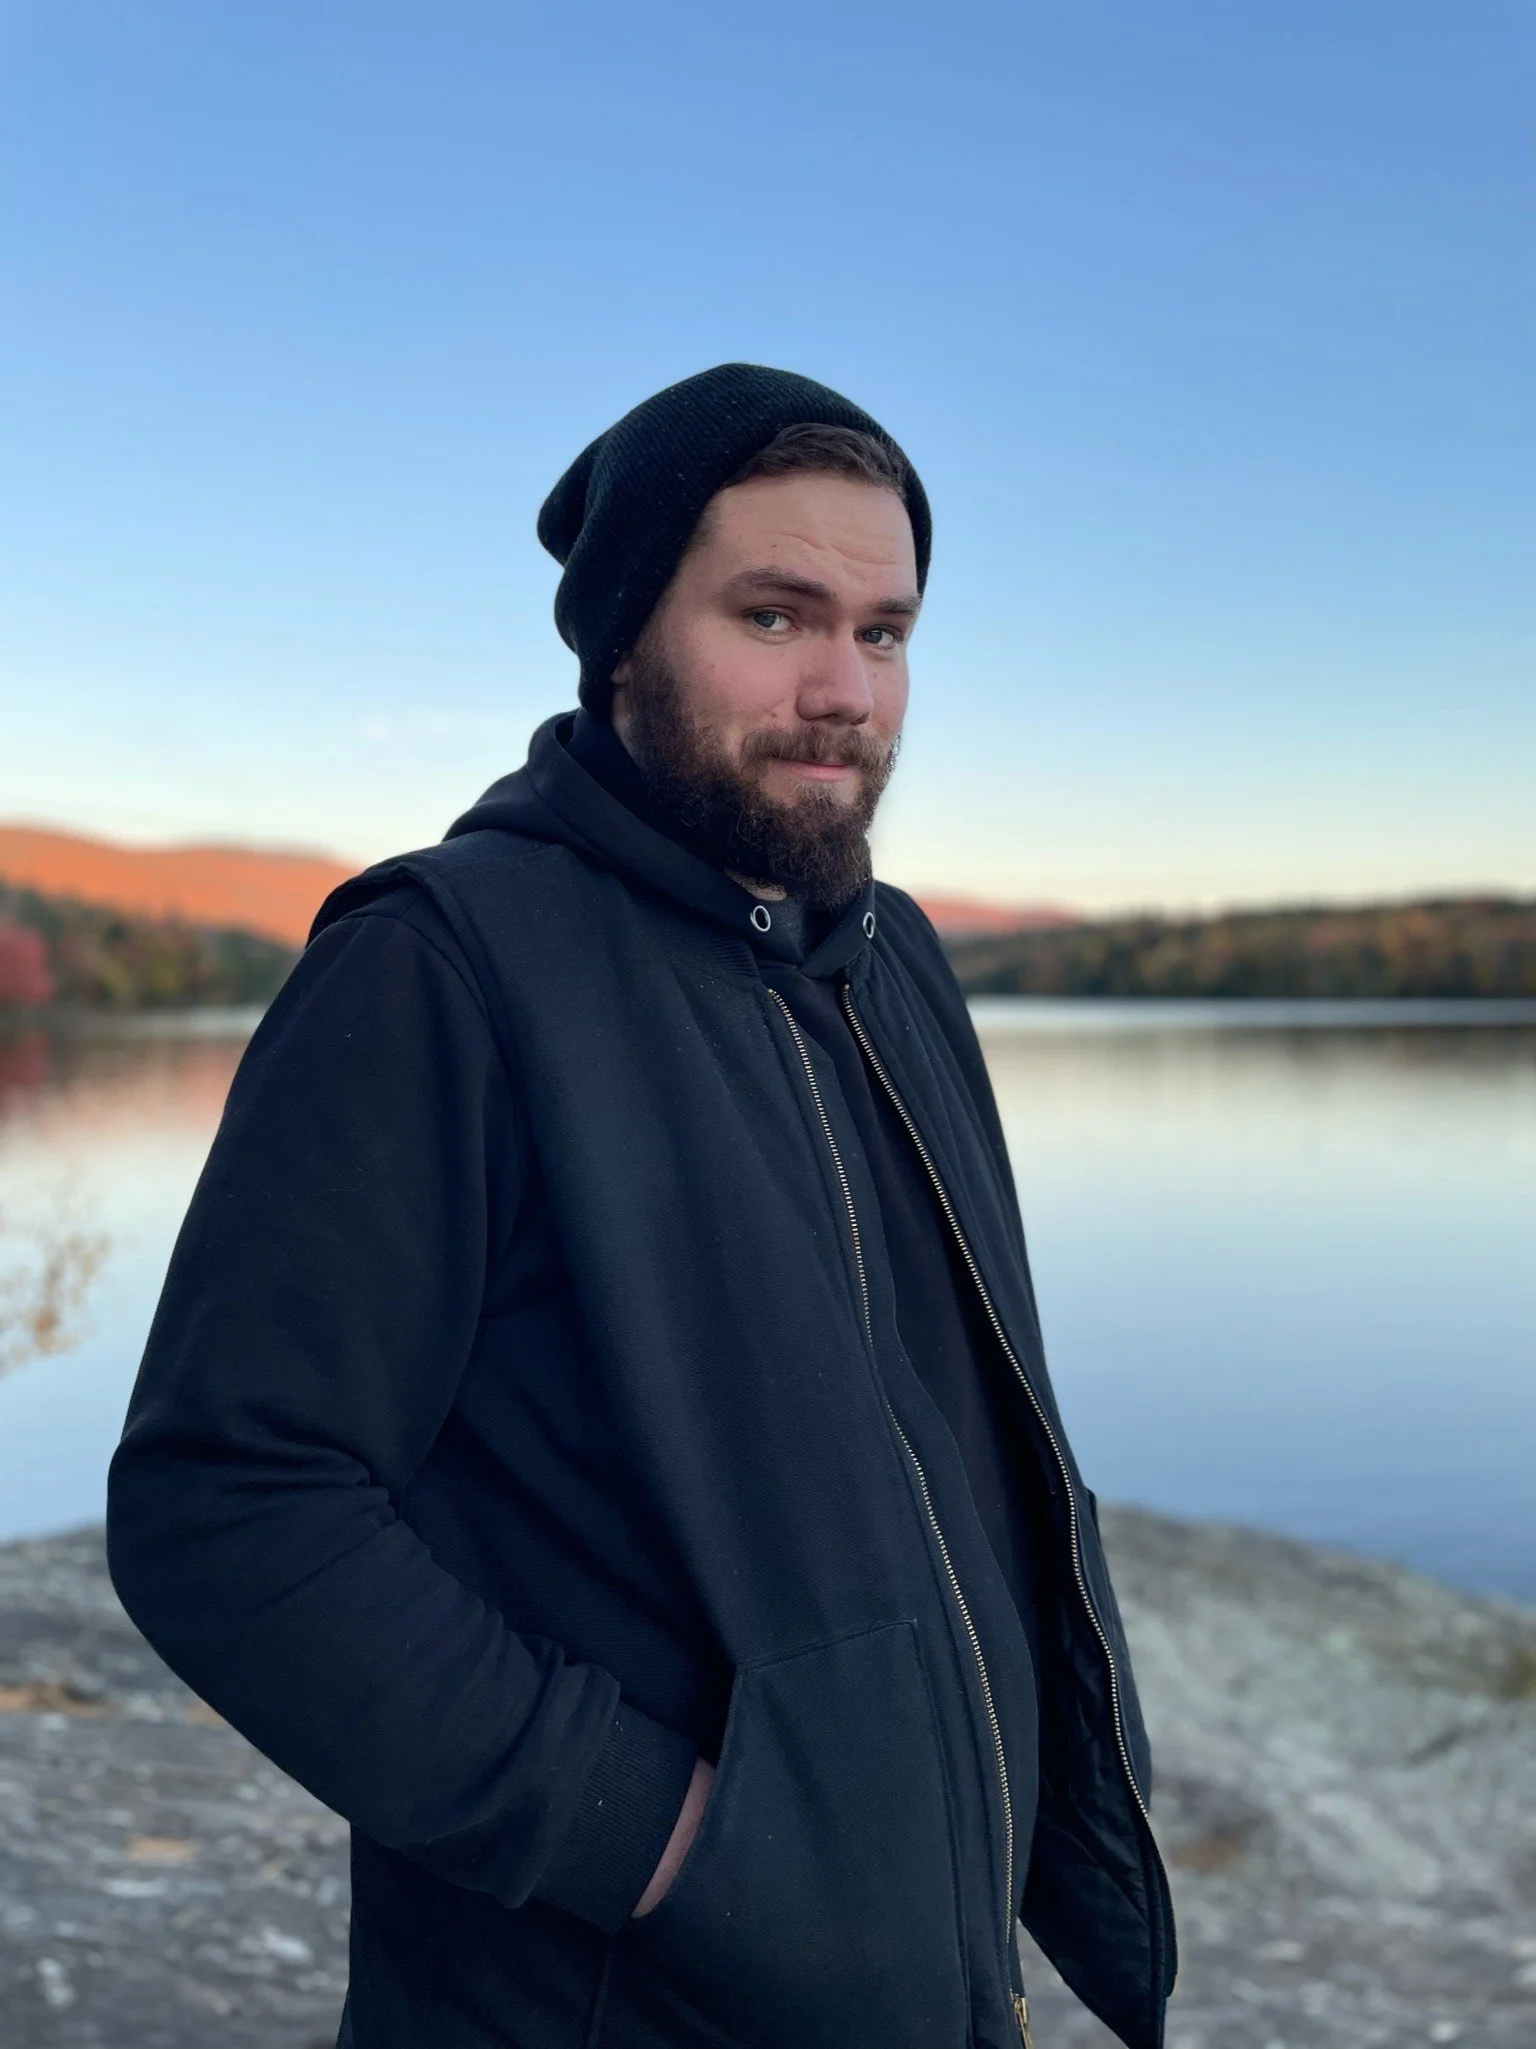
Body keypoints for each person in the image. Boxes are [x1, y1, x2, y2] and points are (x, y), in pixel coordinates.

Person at [107, 364, 1175, 2049]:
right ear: (622, 642)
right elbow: (229, 1509)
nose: (843, 690)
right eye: (774, 616)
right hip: (602, 2001)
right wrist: (673, 1846)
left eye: (884, 634)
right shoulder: (442, 968)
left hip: (916, 1983)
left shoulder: (894, 968)